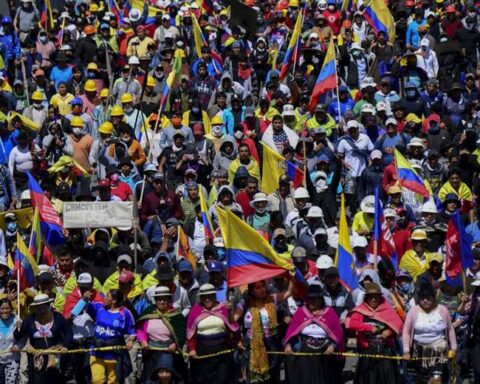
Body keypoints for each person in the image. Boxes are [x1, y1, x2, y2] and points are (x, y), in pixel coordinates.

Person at [284, 284, 345, 384]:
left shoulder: (330, 313)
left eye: (314, 299)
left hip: (325, 351)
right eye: (309, 298)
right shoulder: (301, 312)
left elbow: (338, 333)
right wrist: (288, 345)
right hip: (304, 351)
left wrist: (332, 346)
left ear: (321, 299)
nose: (311, 301)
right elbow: (291, 331)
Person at [346, 282, 403, 383]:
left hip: (385, 352)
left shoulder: (387, 310)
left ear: (380, 297)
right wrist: (368, 328)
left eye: (376, 296)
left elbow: (398, 325)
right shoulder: (360, 311)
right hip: (367, 351)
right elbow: (350, 324)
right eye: (370, 297)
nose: (373, 299)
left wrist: (389, 331)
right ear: (366, 298)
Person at [402, 280, 457, 383]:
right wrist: (406, 351)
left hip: (439, 351)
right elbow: (406, 332)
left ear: (433, 297)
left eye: (428, 297)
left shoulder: (443, 310)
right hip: (418, 352)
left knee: (436, 380)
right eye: (422, 298)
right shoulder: (413, 311)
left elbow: (450, 329)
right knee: (421, 381)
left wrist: (453, 348)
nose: (425, 300)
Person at [187, 283, 239, 384]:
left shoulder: (224, 308)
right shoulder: (195, 310)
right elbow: (190, 333)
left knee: (222, 378)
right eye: (204, 297)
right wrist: (192, 349)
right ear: (201, 298)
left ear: (214, 296)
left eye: (210, 296)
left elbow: (233, 326)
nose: (207, 299)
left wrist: (238, 340)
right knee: (205, 379)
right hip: (203, 351)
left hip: (222, 350)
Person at [14, 294, 71, 384]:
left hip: (54, 356)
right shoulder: (29, 320)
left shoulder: (58, 317)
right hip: (36, 357)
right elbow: (18, 335)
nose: (41, 311)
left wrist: (65, 346)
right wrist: (18, 328)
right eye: (38, 308)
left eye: (44, 308)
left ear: (49, 306)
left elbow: (68, 333)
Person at [136, 286, 186, 381]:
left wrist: (175, 344)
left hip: (169, 351)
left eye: (164, 299)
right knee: (150, 378)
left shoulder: (176, 315)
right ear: (155, 300)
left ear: (169, 300)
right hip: (151, 350)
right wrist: (143, 341)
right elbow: (140, 329)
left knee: (166, 377)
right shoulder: (149, 311)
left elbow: (182, 334)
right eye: (159, 299)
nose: (162, 302)